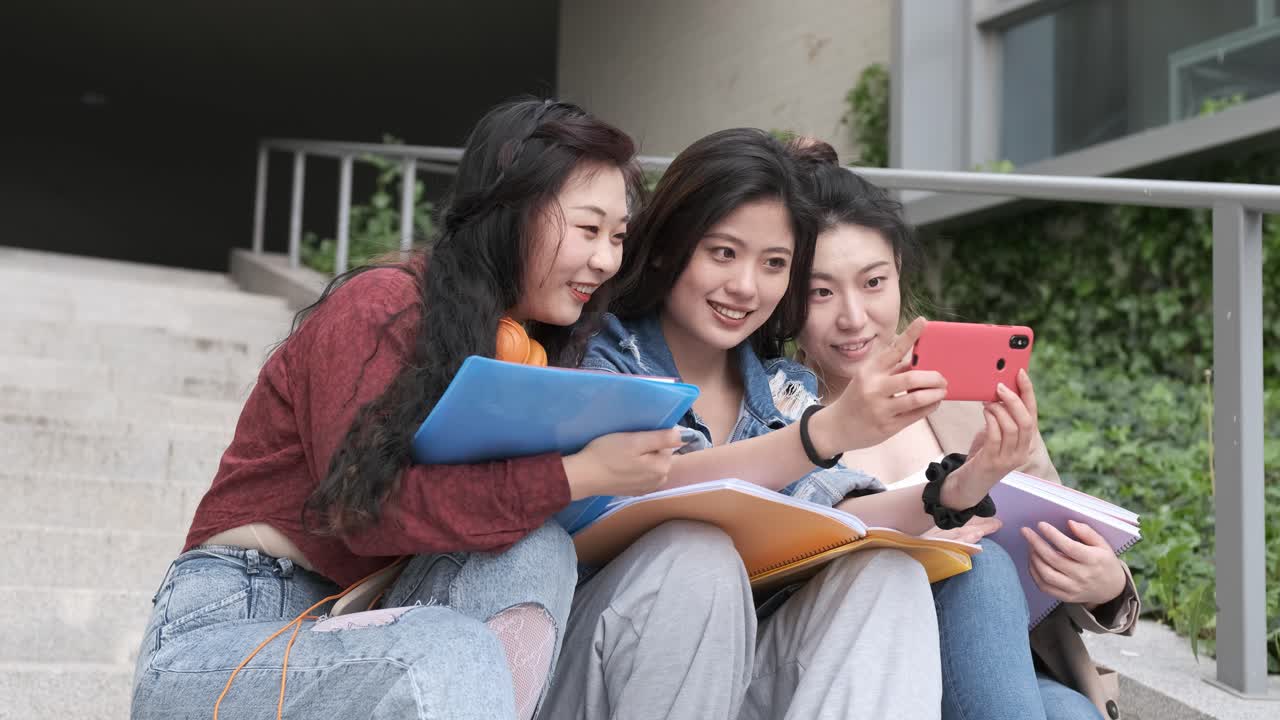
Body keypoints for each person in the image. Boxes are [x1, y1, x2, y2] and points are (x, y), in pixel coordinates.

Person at [130, 99, 688, 720]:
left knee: (534, 549)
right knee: (448, 648)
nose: (607, 260)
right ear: (510, 213)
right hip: (237, 631)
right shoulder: (380, 305)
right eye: (588, 230)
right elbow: (362, 511)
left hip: (370, 622)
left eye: (617, 237)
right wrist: (579, 472)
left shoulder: (525, 350)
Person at [545, 130, 1027, 720]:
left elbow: (836, 518)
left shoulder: (779, 388)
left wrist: (959, 487)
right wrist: (822, 435)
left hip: (741, 668)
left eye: (773, 264)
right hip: (600, 667)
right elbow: (625, 500)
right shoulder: (600, 359)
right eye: (723, 253)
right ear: (670, 247)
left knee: (887, 573)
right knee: (696, 557)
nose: (746, 286)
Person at [793, 154, 1140, 720]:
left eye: (873, 282)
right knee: (979, 568)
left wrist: (1103, 584)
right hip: (869, 672)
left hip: (1002, 661)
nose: (854, 318)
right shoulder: (782, 416)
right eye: (820, 292)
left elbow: (1059, 528)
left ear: (900, 270)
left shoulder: (970, 396)